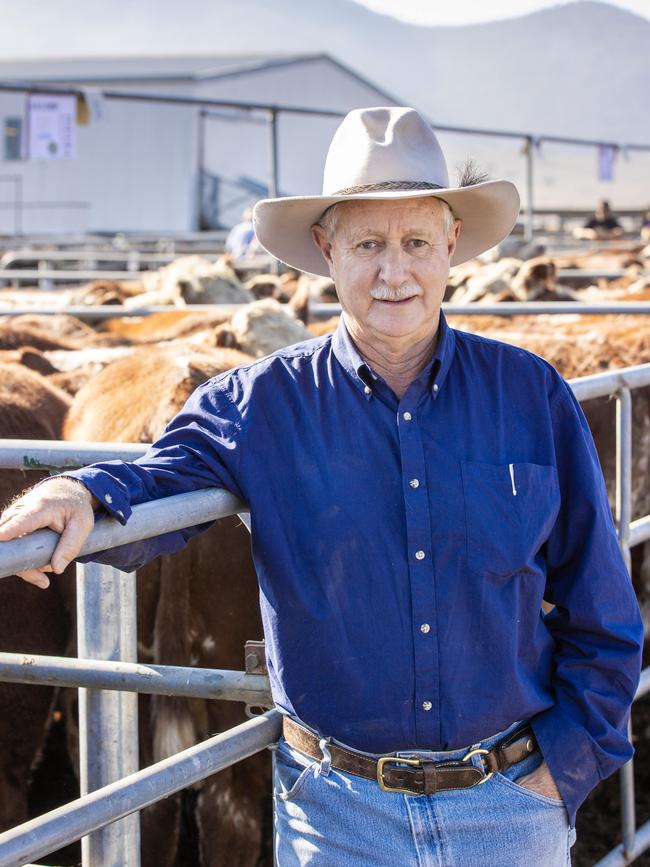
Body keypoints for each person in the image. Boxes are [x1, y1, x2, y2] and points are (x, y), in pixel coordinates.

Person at [0, 107, 643, 866]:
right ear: (325, 248)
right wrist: (79, 494)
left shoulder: (532, 396)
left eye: (415, 243)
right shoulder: (261, 403)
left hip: (507, 806)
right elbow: (159, 472)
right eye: (368, 243)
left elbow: (603, 608)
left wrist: (560, 771)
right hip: (339, 818)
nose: (393, 271)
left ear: (453, 247)